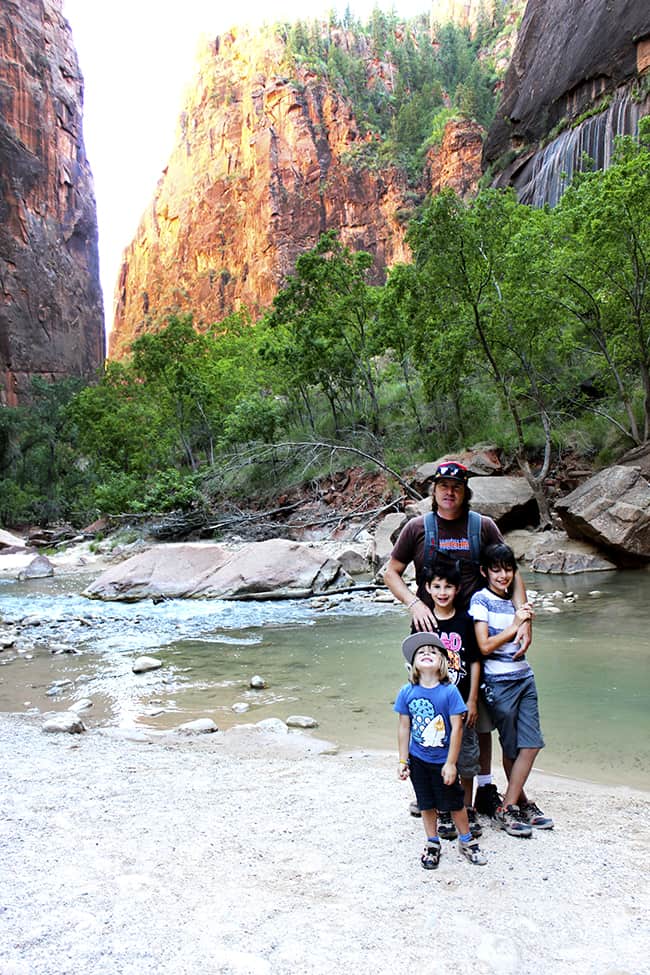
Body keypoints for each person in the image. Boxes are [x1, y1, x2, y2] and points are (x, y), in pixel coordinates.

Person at [384, 460, 531, 818]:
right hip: (429, 635)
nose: (449, 492)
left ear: (465, 492)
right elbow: (391, 572)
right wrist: (414, 602)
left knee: (473, 715)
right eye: (443, 486)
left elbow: (510, 572)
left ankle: (482, 787)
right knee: (426, 709)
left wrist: (523, 617)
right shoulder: (417, 528)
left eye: (457, 487)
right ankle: (430, 785)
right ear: (434, 491)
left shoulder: (484, 527)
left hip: (475, 634)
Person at [469, 542, 554, 836]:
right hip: (498, 683)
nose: (502, 575)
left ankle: (508, 805)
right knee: (512, 746)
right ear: (484, 572)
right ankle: (519, 804)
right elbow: (483, 645)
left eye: (507, 569)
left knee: (531, 744)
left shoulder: (516, 602)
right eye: (496, 570)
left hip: (524, 678)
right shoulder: (480, 601)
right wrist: (514, 624)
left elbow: (524, 635)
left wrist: (524, 619)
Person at [395, 631, 488, 869]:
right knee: (426, 803)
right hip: (418, 760)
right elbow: (404, 727)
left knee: (455, 803)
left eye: (433, 652)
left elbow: (457, 729)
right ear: (413, 664)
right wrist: (403, 760)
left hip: (443, 760)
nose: (427, 653)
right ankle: (432, 841)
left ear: (442, 663)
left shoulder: (449, 692)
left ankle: (466, 840)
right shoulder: (407, 692)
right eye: (421, 652)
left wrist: (451, 763)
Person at [417, 558, 482, 842]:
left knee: (465, 757)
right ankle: (444, 811)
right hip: (433, 707)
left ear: (457, 589)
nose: (443, 592)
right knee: (436, 757)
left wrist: (473, 699)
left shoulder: (465, 620)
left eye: (448, 587)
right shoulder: (423, 621)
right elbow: (415, 663)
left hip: (460, 704)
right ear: (428, 589)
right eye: (437, 586)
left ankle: (465, 807)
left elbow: (476, 661)